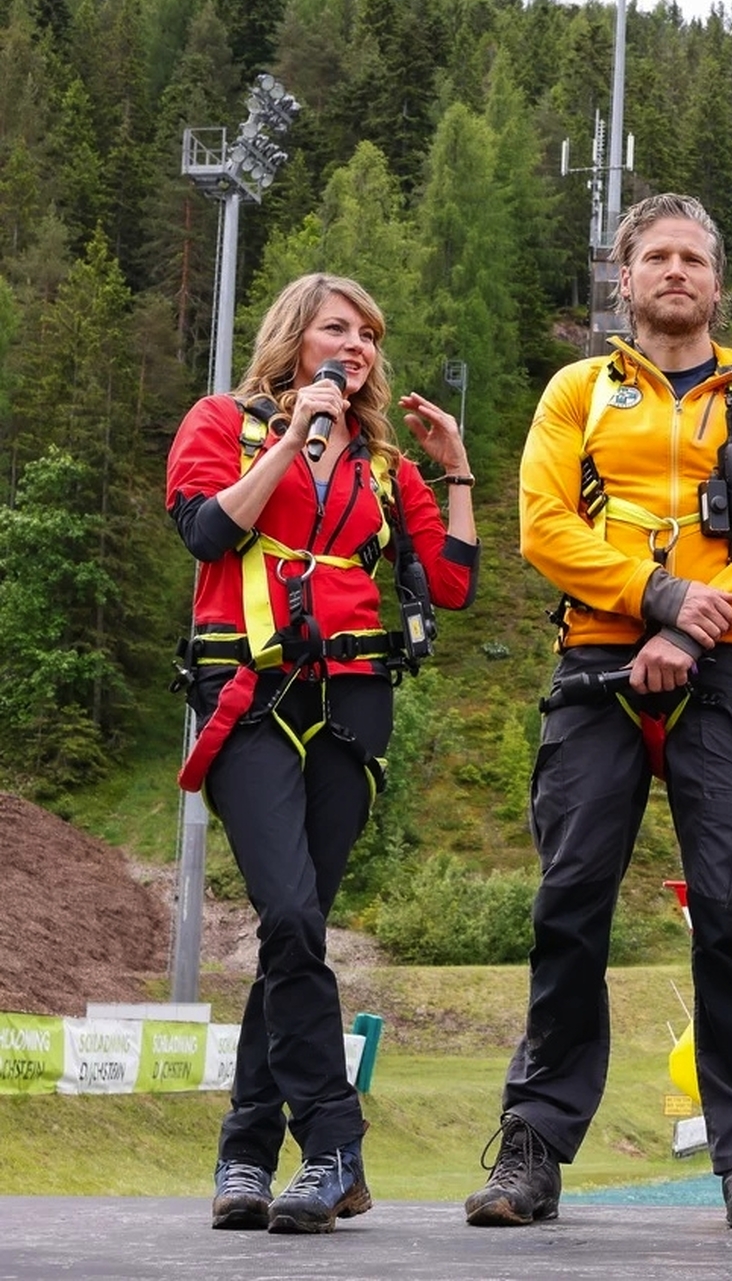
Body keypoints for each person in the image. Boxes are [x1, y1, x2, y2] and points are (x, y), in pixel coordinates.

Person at [466, 194, 732, 1231]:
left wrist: (695, 629)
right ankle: (531, 1150)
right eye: (656, 258)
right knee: (569, 903)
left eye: (693, 259)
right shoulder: (577, 390)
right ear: (623, 280)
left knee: (729, 908)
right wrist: (657, 599)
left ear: (717, 283)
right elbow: (540, 526)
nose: (676, 272)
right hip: (594, 663)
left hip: (725, 669)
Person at [167, 273, 478, 1233]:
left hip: (351, 702)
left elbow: (454, 583)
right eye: (338, 329)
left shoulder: (386, 467)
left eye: (370, 335)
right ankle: (335, 1144)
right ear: (295, 339)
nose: (358, 346)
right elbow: (207, 529)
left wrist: (455, 466)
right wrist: (295, 430)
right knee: (291, 914)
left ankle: (245, 1161)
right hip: (248, 697)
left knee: (291, 938)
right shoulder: (224, 422)